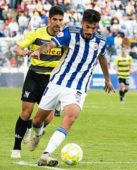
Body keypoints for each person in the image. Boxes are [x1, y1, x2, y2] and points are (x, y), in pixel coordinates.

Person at [28, 9, 114, 167]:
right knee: (37, 120)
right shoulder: (70, 32)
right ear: (82, 23)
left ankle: (46, 155)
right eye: (87, 26)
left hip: (78, 87)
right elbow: (52, 43)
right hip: (57, 82)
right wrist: (39, 51)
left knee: (71, 116)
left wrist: (107, 79)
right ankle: (38, 134)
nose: (89, 31)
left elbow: (102, 58)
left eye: (93, 28)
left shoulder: (101, 41)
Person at [10, 6, 64, 159]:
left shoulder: (63, 37)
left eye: (60, 20)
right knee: (26, 112)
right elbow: (17, 47)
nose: (57, 23)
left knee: (47, 118)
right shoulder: (37, 34)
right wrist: (24, 52)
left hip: (51, 80)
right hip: (34, 75)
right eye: (55, 19)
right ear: (49, 19)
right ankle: (16, 148)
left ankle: (32, 128)